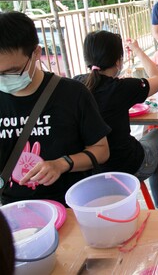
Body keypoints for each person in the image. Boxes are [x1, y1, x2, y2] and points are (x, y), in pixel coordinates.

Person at [0, 12, 110, 206]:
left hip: (70, 205)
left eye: (12, 71)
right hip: (12, 209)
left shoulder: (72, 93)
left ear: (36, 53)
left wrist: (62, 164)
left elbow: (101, 150)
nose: (3, 78)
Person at [74, 31, 158, 209]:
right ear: (118, 61)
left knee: (146, 138)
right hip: (127, 166)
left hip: (90, 171)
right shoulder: (122, 88)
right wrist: (137, 50)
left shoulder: (76, 85)